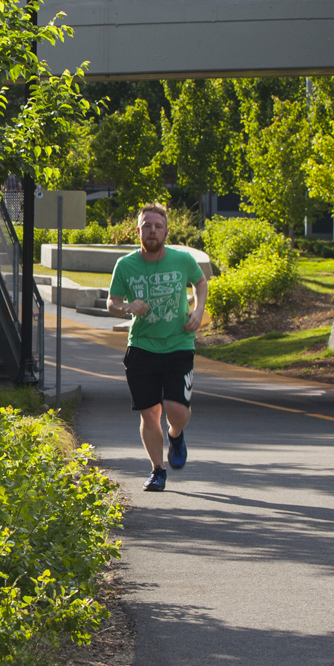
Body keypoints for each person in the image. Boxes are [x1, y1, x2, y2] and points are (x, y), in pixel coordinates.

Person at [106, 203, 208, 492]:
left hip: (178, 343)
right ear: (137, 230)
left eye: (158, 226)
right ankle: (157, 470)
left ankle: (176, 434)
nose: (152, 231)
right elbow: (111, 302)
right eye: (146, 226)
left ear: (166, 231)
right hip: (141, 347)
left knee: (176, 409)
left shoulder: (182, 259)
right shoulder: (125, 265)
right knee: (149, 414)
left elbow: (201, 283)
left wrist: (198, 312)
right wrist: (126, 306)